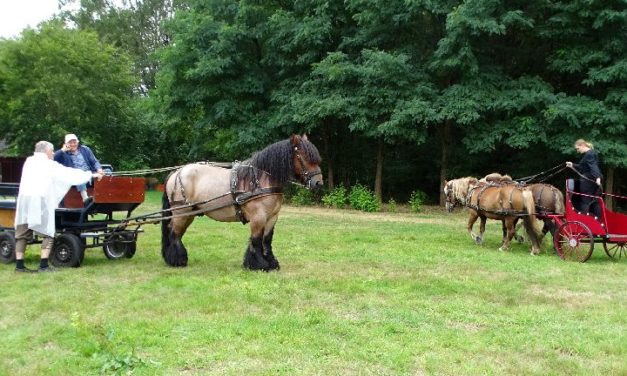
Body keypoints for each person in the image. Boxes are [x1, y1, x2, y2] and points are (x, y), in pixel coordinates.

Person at [14, 141, 103, 272]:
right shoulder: (48, 164)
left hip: (25, 201)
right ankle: (43, 266)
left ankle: (19, 266)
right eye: (52, 150)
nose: (53, 153)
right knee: (48, 232)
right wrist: (92, 174)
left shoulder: (29, 161)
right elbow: (69, 173)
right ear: (45, 151)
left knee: (22, 233)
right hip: (40, 200)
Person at [54, 134, 104, 204]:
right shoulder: (63, 153)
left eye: (74, 142)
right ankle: (86, 200)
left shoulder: (85, 149)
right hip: (76, 176)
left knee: (108, 172)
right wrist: (63, 150)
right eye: (70, 142)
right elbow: (53, 158)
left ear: (77, 142)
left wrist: (99, 169)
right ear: (65, 144)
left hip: (91, 174)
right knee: (80, 176)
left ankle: (106, 197)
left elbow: (94, 161)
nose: (73, 144)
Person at [566, 139, 603, 218]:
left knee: (584, 201)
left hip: (588, 181)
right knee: (594, 201)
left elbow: (594, 166)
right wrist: (572, 164)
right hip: (592, 180)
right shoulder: (592, 153)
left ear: (582, 145)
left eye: (577, 149)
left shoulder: (589, 154)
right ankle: (599, 222)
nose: (577, 151)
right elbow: (582, 167)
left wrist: (598, 178)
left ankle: (584, 221)